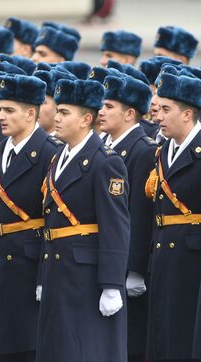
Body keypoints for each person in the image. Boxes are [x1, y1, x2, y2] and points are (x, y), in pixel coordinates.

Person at [36, 79, 130, 362]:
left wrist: (112, 284)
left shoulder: (105, 162)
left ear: (86, 119)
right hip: (57, 270)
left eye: (65, 112)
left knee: (86, 349)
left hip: (86, 277)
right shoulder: (58, 157)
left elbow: (116, 227)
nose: (57, 117)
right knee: (58, 348)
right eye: (57, 110)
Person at [0, 74, 62, 362]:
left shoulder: (49, 153)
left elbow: (53, 219)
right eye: (1, 109)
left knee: (25, 346)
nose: (1, 117)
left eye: (10, 110)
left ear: (31, 113)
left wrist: (44, 276)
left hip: (29, 262)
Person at [98, 74, 157, 362]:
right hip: (109, 259)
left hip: (127, 263)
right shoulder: (106, 146)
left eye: (109, 106)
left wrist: (135, 268)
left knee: (130, 341)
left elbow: (140, 213)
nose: (101, 111)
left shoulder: (142, 149)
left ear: (130, 113)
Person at [144, 70, 201, 362]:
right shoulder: (163, 150)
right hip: (164, 255)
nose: (158, 116)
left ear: (188, 114)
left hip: (192, 260)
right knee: (162, 337)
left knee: (185, 338)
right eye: (158, 107)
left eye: (167, 109)